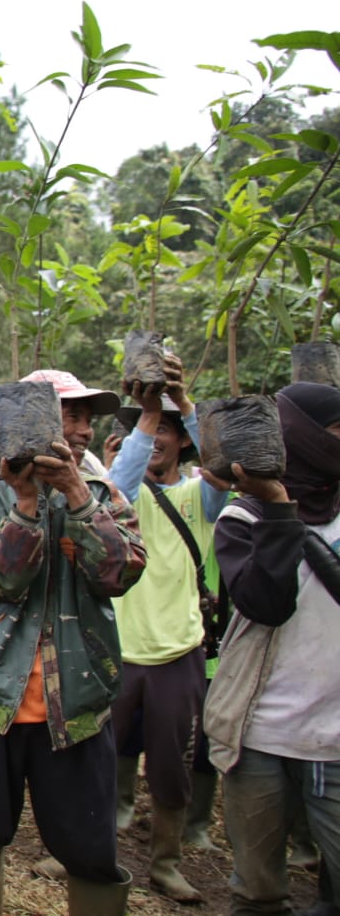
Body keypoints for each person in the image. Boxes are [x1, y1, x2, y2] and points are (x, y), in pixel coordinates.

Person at [0, 368, 145, 916]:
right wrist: (27, 502)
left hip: (78, 704)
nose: (83, 429)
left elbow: (121, 574)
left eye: (88, 416)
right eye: (71, 414)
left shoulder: (105, 496)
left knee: (89, 849)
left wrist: (79, 498)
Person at [204, 382, 340, 916]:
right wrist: (280, 508)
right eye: (334, 433)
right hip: (260, 733)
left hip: (335, 738)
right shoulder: (243, 518)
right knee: (258, 890)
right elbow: (266, 602)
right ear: (300, 437)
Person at [103, 354, 227, 902]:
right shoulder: (120, 493)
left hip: (179, 652)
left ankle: (166, 862)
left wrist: (187, 404)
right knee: (100, 758)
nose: (157, 440)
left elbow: (226, 468)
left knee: (171, 767)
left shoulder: (200, 497)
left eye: (169, 433)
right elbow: (117, 484)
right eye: (152, 432)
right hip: (119, 649)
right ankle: (92, 850)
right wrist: (148, 414)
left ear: (184, 443)